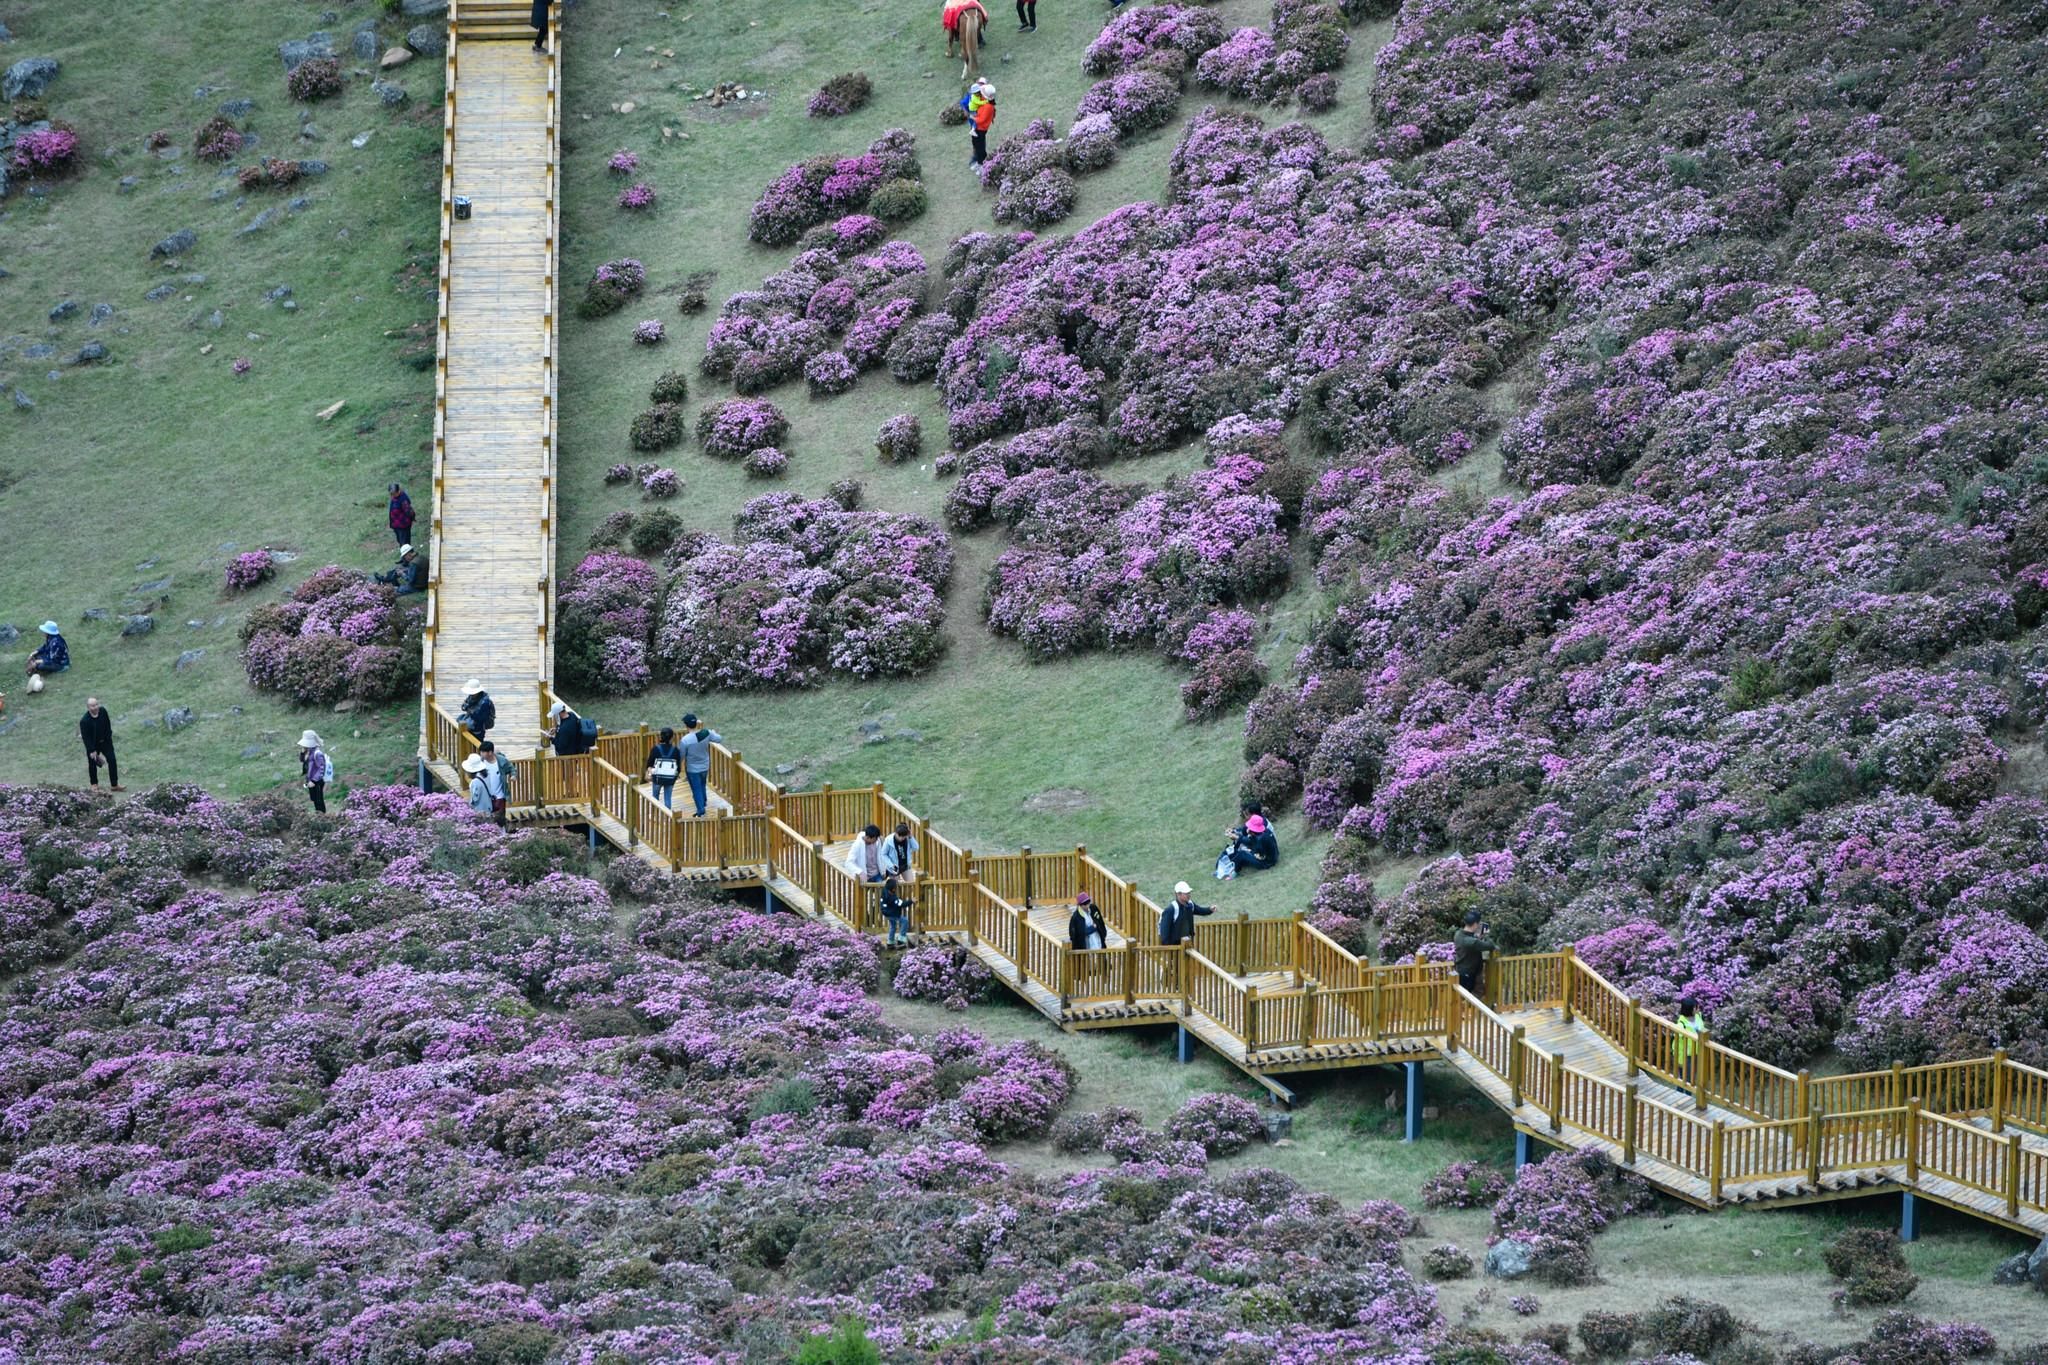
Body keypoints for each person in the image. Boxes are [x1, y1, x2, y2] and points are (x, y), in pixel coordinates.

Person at [679, 713, 721, 817]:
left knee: (696, 789)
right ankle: (704, 801)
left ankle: (701, 810)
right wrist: (713, 732)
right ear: (696, 723)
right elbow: (719, 739)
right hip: (705, 766)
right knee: (702, 784)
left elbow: (682, 755)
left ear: (686, 725)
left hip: (692, 769)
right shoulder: (706, 733)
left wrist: (678, 767)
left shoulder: (685, 740)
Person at [80, 696, 122, 792]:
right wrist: (91, 750)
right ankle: (94, 784)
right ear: (88, 707)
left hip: (105, 742)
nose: (95, 707)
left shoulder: (103, 711)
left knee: (112, 760)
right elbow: (86, 737)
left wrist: (109, 737)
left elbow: (108, 724)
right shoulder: (84, 721)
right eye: (92, 706)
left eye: (96, 705)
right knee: (92, 764)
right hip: (93, 745)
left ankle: (114, 785)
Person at [1452, 908, 1496, 999]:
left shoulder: (1458, 934)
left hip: (1460, 970)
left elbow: (1472, 941)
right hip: (1469, 973)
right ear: (1475, 924)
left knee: (1462, 997)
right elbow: (1490, 945)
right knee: (1471, 997)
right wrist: (1486, 935)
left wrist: (1478, 937)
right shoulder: (1472, 942)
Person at [1157, 881, 1213, 946]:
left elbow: (1199, 910)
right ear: (1178, 894)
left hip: (1186, 943)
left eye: (1189, 893)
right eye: (1186, 893)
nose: (1189, 895)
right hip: (1174, 946)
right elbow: (1164, 933)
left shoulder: (1190, 904)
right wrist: (1169, 947)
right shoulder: (1171, 909)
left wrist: (1209, 910)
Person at [646, 726, 682, 810]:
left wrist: (650, 773)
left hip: (657, 778)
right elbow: (678, 767)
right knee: (668, 799)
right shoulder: (675, 750)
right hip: (670, 779)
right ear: (672, 738)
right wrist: (675, 776)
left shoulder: (655, 749)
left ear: (661, 737)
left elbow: (649, 764)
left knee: (655, 797)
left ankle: (655, 814)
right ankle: (667, 816)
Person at [463, 751, 506, 821]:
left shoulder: (475, 782)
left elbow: (475, 799)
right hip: (489, 807)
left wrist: (467, 803)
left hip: (481, 812)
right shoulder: (486, 775)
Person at [299, 730, 332, 813]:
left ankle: (322, 816)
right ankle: (319, 815)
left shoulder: (317, 753)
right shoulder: (308, 752)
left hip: (317, 781)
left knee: (319, 800)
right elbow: (302, 760)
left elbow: (321, 768)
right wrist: (302, 753)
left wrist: (314, 780)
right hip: (310, 780)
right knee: (314, 799)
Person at [1674, 998, 1706, 1082]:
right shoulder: (1681, 1024)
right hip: (1686, 1055)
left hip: (1697, 1051)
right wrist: (1679, 1059)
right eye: (1696, 1007)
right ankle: (1681, 1090)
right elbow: (1677, 1043)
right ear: (1691, 1009)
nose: (1698, 1009)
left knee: (1693, 1076)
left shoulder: (1698, 1016)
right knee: (1686, 1078)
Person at [968, 79, 997, 167]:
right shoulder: (985, 102)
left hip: (980, 129)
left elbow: (982, 119)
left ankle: (982, 164)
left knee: (979, 147)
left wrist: (973, 117)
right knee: (976, 144)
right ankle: (980, 161)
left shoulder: (988, 106)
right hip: (978, 127)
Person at [879, 874, 913, 947]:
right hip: (892, 914)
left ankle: (890, 942)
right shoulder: (892, 898)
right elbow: (902, 904)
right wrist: (911, 901)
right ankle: (901, 939)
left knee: (893, 926)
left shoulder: (884, 891)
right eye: (895, 887)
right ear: (893, 889)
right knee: (905, 921)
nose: (896, 888)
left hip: (886, 912)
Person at [387, 483, 416, 549]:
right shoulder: (394, 498)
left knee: (405, 544)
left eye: (394, 493)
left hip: (403, 526)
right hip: (397, 526)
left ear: (398, 491)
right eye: (391, 493)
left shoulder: (403, 500)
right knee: (401, 542)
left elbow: (409, 512)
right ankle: (405, 554)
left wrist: (412, 518)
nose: (392, 495)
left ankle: (408, 555)